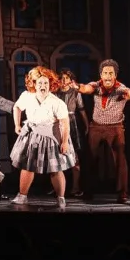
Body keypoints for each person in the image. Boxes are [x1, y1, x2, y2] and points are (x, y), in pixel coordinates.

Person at [76, 59, 130, 203]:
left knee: (120, 160)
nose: (108, 76)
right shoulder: (96, 85)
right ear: (101, 75)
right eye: (105, 73)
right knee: (90, 158)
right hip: (96, 127)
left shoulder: (120, 88)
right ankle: (88, 191)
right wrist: (76, 86)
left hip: (115, 128)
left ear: (115, 75)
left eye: (111, 73)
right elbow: (86, 88)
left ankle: (122, 192)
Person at [10, 66, 77, 208]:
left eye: (46, 83)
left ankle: (60, 198)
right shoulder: (27, 96)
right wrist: (17, 125)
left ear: (50, 84)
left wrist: (64, 142)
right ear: (34, 84)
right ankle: (22, 196)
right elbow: (17, 107)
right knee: (27, 167)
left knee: (55, 169)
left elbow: (65, 123)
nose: (43, 85)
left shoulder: (57, 102)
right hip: (32, 136)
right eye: (40, 82)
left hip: (51, 137)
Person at [56, 68, 90, 197]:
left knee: (74, 156)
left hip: (71, 124)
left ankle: (75, 187)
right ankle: (58, 187)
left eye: (66, 78)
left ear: (71, 80)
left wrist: (87, 125)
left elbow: (81, 109)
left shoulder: (75, 92)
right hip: (58, 124)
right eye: (62, 78)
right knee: (57, 156)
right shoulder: (55, 93)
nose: (64, 81)